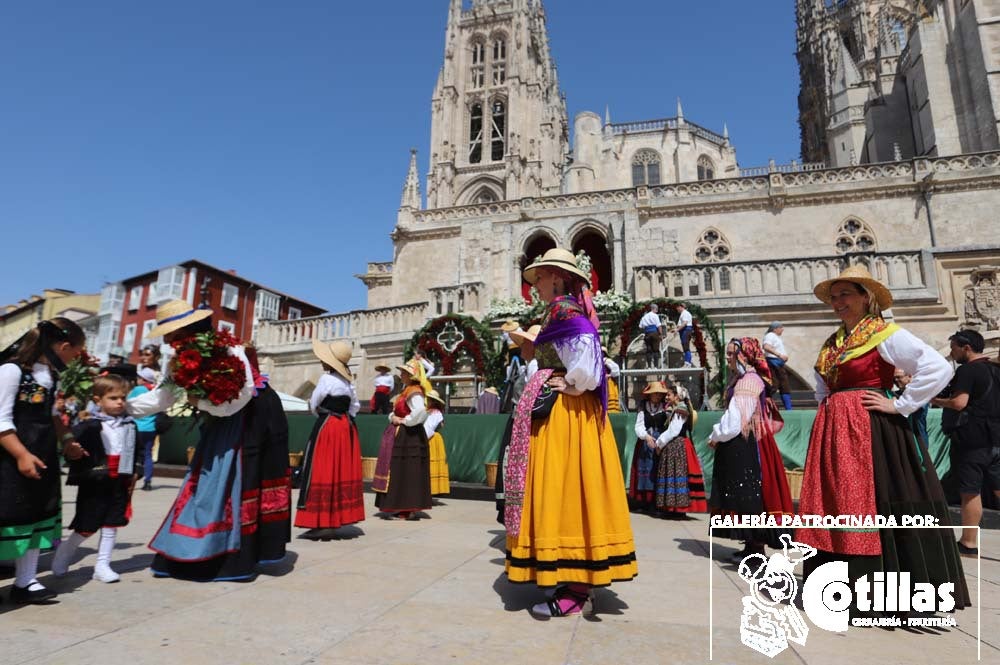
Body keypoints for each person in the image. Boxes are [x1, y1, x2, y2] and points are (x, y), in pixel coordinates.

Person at [796, 266, 970, 612]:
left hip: (870, 430)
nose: (838, 302)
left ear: (865, 297)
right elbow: (821, 387)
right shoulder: (834, 343)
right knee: (836, 503)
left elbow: (937, 367)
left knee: (872, 500)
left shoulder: (884, 333)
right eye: (834, 296)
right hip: (836, 429)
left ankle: (879, 587)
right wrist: (831, 412)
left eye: (845, 294)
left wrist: (900, 404)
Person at [505, 247, 637, 617]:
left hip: (568, 415)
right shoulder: (555, 313)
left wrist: (574, 386)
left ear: (558, 279)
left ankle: (577, 583)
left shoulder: (568, 313)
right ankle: (565, 572)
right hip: (557, 411)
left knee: (569, 487)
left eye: (541, 278)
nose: (536, 286)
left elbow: (587, 360)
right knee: (556, 488)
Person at [128, 299, 291, 582]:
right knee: (213, 480)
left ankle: (235, 555)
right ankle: (199, 549)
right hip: (224, 417)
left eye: (171, 333)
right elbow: (163, 397)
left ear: (187, 330)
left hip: (254, 416)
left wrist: (202, 404)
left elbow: (243, 394)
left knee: (242, 477)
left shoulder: (228, 350)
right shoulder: (177, 360)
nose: (166, 340)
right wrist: (124, 409)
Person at [0, 318, 87, 603]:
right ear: (62, 346)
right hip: (10, 459)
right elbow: (1, 420)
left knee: (37, 513)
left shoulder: (50, 376)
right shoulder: (11, 371)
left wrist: (67, 441)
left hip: (42, 455)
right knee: (7, 514)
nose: (75, 358)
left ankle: (25, 581)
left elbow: (51, 416)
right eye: (75, 352)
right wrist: (22, 454)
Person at [708, 337, 792, 561]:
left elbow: (737, 418)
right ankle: (750, 546)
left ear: (744, 355)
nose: (728, 358)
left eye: (731, 354)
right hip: (749, 441)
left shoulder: (748, 381)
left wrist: (716, 435)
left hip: (747, 443)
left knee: (750, 496)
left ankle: (756, 550)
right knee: (746, 494)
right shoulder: (745, 378)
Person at [52, 373, 139, 583]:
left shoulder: (130, 424)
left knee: (112, 523)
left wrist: (135, 473)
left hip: (120, 479)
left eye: (123, 398)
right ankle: (65, 551)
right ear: (98, 400)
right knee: (87, 525)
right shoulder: (88, 426)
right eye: (113, 398)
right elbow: (71, 448)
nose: (120, 402)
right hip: (96, 481)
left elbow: (137, 450)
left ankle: (102, 565)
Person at [931, 329, 1000, 557]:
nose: (952, 354)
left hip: (972, 440)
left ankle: (968, 543)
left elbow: (960, 403)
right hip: (996, 438)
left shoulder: (968, 370)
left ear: (966, 347)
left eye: (954, 349)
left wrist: (937, 400)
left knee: (970, 491)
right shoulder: (995, 369)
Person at [294, 341, 364, 534]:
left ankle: (320, 519)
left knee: (321, 467)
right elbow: (355, 407)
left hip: (328, 426)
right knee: (340, 469)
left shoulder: (326, 380)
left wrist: (325, 415)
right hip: (345, 427)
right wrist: (344, 419)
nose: (321, 362)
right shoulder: (349, 383)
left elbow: (314, 404)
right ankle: (338, 515)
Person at [372, 358, 433, 520]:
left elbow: (420, 412)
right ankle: (399, 504)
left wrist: (404, 421)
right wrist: (393, 417)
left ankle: (408, 507)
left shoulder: (415, 392)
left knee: (408, 471)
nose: (401, 374)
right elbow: (396, 411)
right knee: (400, 471)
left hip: (409, 437)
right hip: (402, 435)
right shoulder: (406, 390)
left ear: (411, 375)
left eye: (404, 372)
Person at [656, 383, 707, 517]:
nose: (666, 397)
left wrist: (659, 443)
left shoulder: (680, 410)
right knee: (675, 476)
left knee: (677, 475)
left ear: (677, 396)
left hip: (677, 446)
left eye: (669, 395)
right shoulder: (677, 409)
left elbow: (674, 430)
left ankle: (678, 509)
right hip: (677, 446)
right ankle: (673, 508)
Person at [630, 381, 670, 513]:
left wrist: (661, 440)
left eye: (660, 394)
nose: (658, 396)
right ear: (650, 394)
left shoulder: (665, 407)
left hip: (660, 442)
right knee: (644, 470)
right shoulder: (643, 407)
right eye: (655, 393)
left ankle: (656, 502)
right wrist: (646, 437)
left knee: (657, 470)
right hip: (645, 442)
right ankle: (643, 502)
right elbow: (638, 425)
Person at [129, 367, 158, 491]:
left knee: (133, 454)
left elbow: (127, 402)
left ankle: (131, 477)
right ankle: (148, 481)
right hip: (150, 427)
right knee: (148, 455)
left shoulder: (137, 389)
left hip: (137, 427)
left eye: (139, 377)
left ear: (143, 379)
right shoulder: (155, 391)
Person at [762, 322, 793, 410]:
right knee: (773, 385)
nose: (782, 329)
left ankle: (788, 409)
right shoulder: (770, 335)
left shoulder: (775, 337)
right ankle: (763, 406)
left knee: (783, 386)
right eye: (781, 327)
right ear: (775, 329)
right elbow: (766, 346)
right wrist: (779, 355)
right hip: (774, 363)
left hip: (778, 364)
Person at [894, 369, 929, 445]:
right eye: (894, 378)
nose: (896, 380)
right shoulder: (895, 394)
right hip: (902, 439)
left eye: (899, 377)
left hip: (917, 438)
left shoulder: (919, 392)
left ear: (909, 376)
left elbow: (914, 408)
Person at [425, 389, 450, 496]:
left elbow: (431, 426)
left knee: (432, 463)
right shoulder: (427, 411)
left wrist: (422, 436)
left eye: (430, 400)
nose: (428, 401)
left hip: (432, 439)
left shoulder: (436, 413)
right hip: (429, 437)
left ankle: (431, 490)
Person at [638, 303, 663, 368]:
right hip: (654, 333)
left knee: (649, 350)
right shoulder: (655, 315)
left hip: (647, 334)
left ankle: (649, 366)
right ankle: (656, 366)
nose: (657, 311)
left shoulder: (644, 317)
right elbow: (658, 325)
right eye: (656, 309)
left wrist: (645, 330)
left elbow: (640, 327)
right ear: (653, 309)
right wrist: (660, 334)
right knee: (656, 350)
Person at [674, 303, 695, 368]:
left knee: (686, 347)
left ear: (681, 307)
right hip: (683, 331)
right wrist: (676, 329)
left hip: (686, 331)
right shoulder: (682, 314)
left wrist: (677, 330)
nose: (677, 309)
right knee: (684, 346)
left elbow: (685, 323)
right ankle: (687, 362)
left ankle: (688, 363)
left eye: (677, 307)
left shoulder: (685, 313)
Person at [603, 346, 622, 413]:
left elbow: (616, 369)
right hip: (602, 382)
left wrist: (610, 375)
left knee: (610, 397)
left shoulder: (606, 360)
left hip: (608, 382)